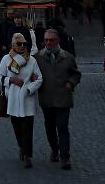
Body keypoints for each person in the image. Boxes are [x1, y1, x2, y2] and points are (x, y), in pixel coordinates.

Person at [35, 27, 81, 170]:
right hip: (46, 98)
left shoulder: (68, 57)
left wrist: (71, 83)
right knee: (49, 127)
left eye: (52, 40)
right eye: (46, 40)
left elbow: (76, 74)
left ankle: (65, 156)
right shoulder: (38, 57)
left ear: (58, 40)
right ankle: (54, 149)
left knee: (62, 127)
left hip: (63, 98)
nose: (48, 42)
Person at [0, 32, 43, 168]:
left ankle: (28, 155)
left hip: (27, 98)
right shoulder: (6, 59)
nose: (22, 46)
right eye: (19, 44)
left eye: (24, 44)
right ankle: (21, 146)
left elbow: (39, 78)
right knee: (17, 127)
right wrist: (10, 79)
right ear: (13, 45)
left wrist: (30, 88)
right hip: (13, 98)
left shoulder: (32, 60)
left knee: (28, 128)